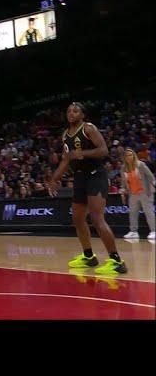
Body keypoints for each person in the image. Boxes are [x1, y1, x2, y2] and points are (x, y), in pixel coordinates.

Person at [47, 102, 128, 274]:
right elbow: (66, 159)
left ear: (82, 115)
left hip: (95, 175)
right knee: (77, 218)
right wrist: (54, 179)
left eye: (75, 111)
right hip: (80, 178)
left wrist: (83, 153)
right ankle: (89, 256)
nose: (71, 113)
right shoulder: (65, 135)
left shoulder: (88, 128)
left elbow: (104, 150)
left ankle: (116, 261)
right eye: (68, 111)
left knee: (97, 218)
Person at [120, 148, 155, 239]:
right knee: (132, 213)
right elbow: (123, 183)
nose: (129, 157)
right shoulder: (123, 168)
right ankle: (133, 232)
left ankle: (153, 231)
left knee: (149, 212)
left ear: (134, 155)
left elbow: (151, 177)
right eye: (126, 155)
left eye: (130, 155)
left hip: (145, 193)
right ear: (124, 157)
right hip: (133, 194)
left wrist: (154, 186)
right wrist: (122, 191)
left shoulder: (141, 165)